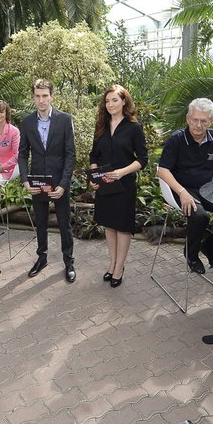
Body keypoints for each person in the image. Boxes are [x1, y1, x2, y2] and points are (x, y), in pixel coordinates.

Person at [156, 98, 213, 274]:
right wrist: (182, 192)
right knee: (200, 216)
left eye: (203, 121)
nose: (198, 125)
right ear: (188, 118)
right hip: (182, 188)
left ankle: (211, 248)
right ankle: (191, 255)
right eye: (195, 120)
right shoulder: (177, 139)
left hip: (210, 189)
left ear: (211, 121)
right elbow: (162, 170)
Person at [18, 78, 77, 282]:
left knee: (64, 224)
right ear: (33, 97)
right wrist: (25, 180)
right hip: (37, 183)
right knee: (41, 223)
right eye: (37, 96)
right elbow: (23, 154)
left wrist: (63, 184)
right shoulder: (27, 122)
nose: (41, 100)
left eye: (45, 95)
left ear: (52, 96)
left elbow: (71, 155)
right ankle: (41, 258)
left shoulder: (64, 119)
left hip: (59, 182)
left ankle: (69, 262)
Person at [88, 85, 148, 288]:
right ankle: (112, 262)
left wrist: (122, 172)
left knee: (122, 227)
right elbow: (93, 155)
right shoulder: (101, 126)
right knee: (109, 225)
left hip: (124, 186)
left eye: (115, 100)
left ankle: (119, 266)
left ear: (124, 102)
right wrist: (95, 177)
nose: (110, 104)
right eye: (107, 101)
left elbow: (143, 159)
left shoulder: (133, 128)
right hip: (104, 186)